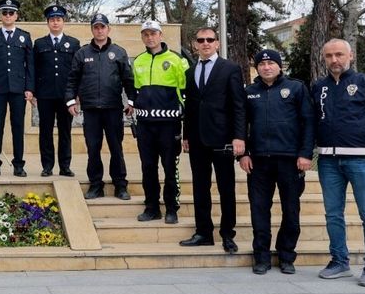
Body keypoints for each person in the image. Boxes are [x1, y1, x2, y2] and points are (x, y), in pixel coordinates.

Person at [313, 38, 365, 287]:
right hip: (328, 161)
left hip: (362, 160)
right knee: (333, 214)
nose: (334, 60)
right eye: (329, 56)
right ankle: (339, 261)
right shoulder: (319, 87)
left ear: (350, 56)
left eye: (339, 55)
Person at [240, 49, 314, 275]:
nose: (266, 67)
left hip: (290, 161)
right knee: (259, 210)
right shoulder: (249, 91)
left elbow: (308, 122)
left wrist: (305, 154)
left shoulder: (296, 88)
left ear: (280, 66)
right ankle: (261, 257)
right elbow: (241, 124)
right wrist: (242, 154)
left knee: (291, 211)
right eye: (262, 64)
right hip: (258, 162)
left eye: (271, 63)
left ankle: (286, 256)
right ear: (256, 68)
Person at [179, 27, 245, 253]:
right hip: (197, 140)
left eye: (210, 40)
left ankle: (228, 234)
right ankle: (203, 232)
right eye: (201, 40)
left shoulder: (230, 69)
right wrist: (186, 135)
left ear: (217, 43)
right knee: (200, 187)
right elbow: (190, 107)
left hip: (223, 139)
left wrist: (239, 136)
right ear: (195, 44)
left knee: (226, 188)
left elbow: (238, 106)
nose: (205, 43)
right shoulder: (190, 72)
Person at [65, 13, 136, 200]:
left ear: (108, 29)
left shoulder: (119, 52)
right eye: (96, 27)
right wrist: (71, 100)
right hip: (90, 110)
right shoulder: (82, 53)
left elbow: (128, 79)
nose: (99, 30)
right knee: (93, 148)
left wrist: (131, 101)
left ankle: (120, 185)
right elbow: (72, 79)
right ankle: (96, 185)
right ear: (92, 29)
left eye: (102, 27)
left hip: (113, 108)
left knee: (116, 148)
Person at [131, 21, 187, 223]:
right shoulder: (138, 61)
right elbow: (136, 90)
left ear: (161, 35)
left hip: (169, 123)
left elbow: (185, 93)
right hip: (145, 124)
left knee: (170, 167)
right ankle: (151, 207)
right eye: (145, 34)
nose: (150, 37)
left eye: (153, 33)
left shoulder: (177, 60)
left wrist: (185, 123)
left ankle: (172, 208)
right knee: (148, 167)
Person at [0, 0, 34, 177]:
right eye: (4, 13)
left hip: (19, 89)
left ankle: (18, 164)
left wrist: (29, 88)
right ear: (0, 15)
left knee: (17, 127)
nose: (8, 16)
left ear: (16, 15)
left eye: (11, 13)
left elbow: (30, 65)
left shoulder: (25, 36)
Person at [33, 4, 80, 177]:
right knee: (45, 131)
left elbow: (77, 72)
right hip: (45, 95)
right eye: (52, 20)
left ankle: (65, 166)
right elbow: (34, 70)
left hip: (65, 95)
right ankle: (47, 166)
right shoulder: (39, 44)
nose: (55, 23)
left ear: (63, 22)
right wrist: (33, 92)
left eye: (58, 19)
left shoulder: (74, 43)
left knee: (65, 131)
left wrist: (76, 95)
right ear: (47, 23)